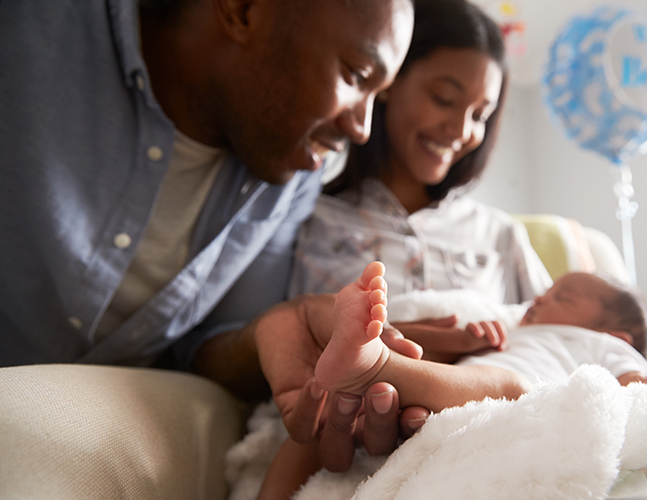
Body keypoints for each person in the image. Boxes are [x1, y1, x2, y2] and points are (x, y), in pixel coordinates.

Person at [0, 0, 421, 472]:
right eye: (356, 75)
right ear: (242, 10)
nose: (361, 129)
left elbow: (202, 347)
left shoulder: (292, 175)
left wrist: (271, 331)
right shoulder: (25, 28)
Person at [257, 262, 647, 499]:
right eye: (546, 291)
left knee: (511, 384)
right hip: (424, 409)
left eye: (562, 298)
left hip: (516, 412)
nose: (540, 299)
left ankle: (374, 364)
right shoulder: (508, 332)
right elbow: (429, 359)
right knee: (321, 411)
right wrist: (463, 340)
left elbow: (638, 393)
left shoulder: (607, 347)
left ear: (615, 337)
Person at [289, 0, 553, 309]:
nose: (461, 130)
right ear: (388, 82)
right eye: (444, 99)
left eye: (480, 116)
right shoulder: (309, 221)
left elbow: (564, 339)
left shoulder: (501, 235)